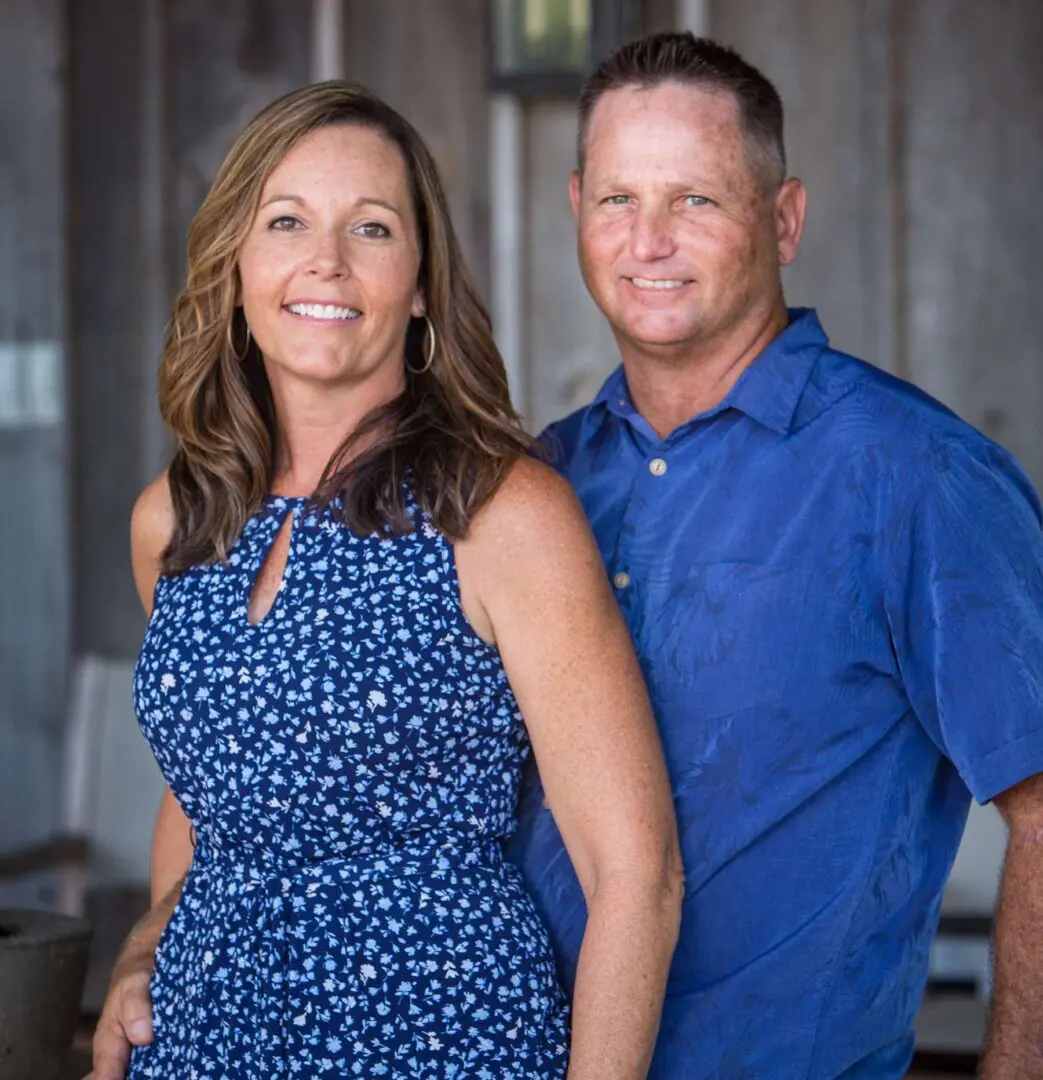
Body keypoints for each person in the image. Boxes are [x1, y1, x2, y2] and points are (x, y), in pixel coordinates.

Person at [88, 81, 683, 1080]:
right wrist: (147, 939)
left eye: (369, 228)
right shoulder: (176, 518)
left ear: (417, 283)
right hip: (203, 1044)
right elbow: (207, 780)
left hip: (437, 1041)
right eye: (286, 222)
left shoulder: (499, 515)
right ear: (238, 265)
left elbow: (636, 877)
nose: (324, 260)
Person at [508, 32, 1043, 1080]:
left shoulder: (913, 475)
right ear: (575, 210)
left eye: (695, 201)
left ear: (782, 218)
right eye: (617, 200)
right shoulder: (539, 483)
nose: (647, 240)